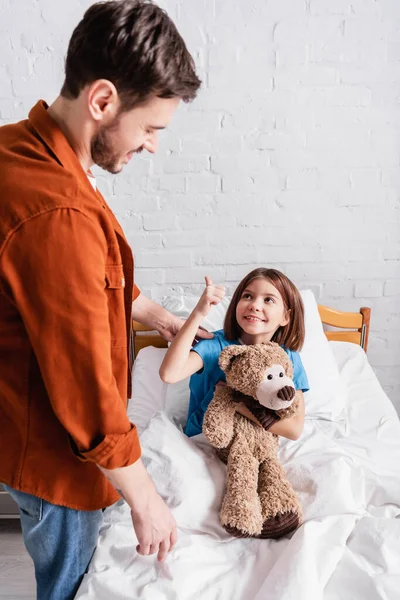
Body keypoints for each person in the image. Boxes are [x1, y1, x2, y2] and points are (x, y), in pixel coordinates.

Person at [0, 1, 211, 598]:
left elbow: (73, 281)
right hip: (56, 457)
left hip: (19, 424)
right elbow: (86, 387)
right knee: (71, 588)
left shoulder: (23, 149)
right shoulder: (57, 212)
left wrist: (156, 315)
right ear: (102, 101)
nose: (152, 147)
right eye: (150, 128)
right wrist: (144, 500)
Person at [160, 268, 309, 439]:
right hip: (205, 439)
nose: (254, 305)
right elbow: (169, 374)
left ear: (286, 317)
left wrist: (238, 404)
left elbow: (294, 430)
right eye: (247, 296)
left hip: (256, 442)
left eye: (268, 300)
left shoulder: (287, 356)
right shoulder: (216, 345)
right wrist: (198, 313)